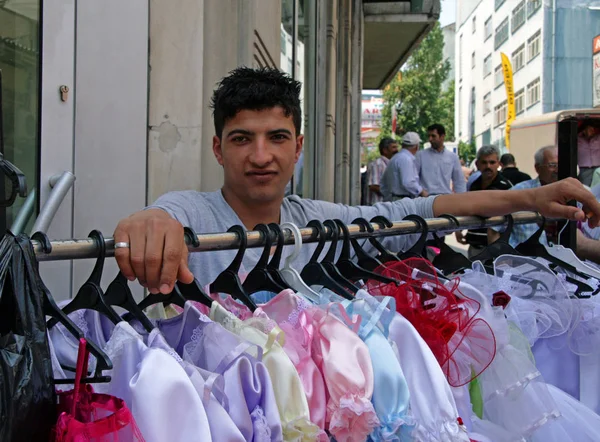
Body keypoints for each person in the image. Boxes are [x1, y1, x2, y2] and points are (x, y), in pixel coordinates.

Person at [112, 67, 600, 295]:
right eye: (242, 139)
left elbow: (421, 210)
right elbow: (160, 217)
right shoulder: (193, 212)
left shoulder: (318, 222)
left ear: (298, 146)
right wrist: (149, 223)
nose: (261, 156)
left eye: (277, 137)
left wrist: (530, 197)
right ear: (218, 149)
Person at [489, 145, 559, 247]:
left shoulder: (572, 194)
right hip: (523, 260)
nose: (557, 170)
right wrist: (500, 259)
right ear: (537, 168)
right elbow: (493, 229)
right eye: (552, 165)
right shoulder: (518, 192)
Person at [456, 145, 512, 258]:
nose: (488, 166)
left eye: (492, 162)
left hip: (497, 248)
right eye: (484, 162)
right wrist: (458, 228)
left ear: (499, 164)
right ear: (477, 164)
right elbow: (467, 209)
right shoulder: (474, 184)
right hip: (475, 245)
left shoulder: (506, 187)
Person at [415, 124, 466, 196]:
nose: (430, 139)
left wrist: (461, 200)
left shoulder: (452, 157)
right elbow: (413, 178)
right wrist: (420, 191)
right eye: (428, 136)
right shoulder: (420, 156)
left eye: (433, 136)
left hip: (445, 198)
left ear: (442, 137)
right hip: (426, 199)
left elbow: (459, 181)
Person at [380, 132, 428, 201]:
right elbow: (408, 183)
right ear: (417, 147)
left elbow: (383, 184)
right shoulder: (406, 159)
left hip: (393, 199)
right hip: (403, 200)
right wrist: (422, 192)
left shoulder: (395, 158)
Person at [366, 137, 398, 205]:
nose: (396, 150)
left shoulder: (391, 164)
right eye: (393, 147)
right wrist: (391, 193)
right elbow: (373, 186)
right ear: (385, 150)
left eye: (396, 147)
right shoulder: (378, 164)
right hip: (378, 205)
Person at [578, 121, 600, 187]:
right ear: (585, 129)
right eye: (591, 129)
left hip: (598, 167)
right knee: (586, 188)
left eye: (594, 129)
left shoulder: (598, 138)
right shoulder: (577, 139)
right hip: (584, 169)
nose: (593, 131)